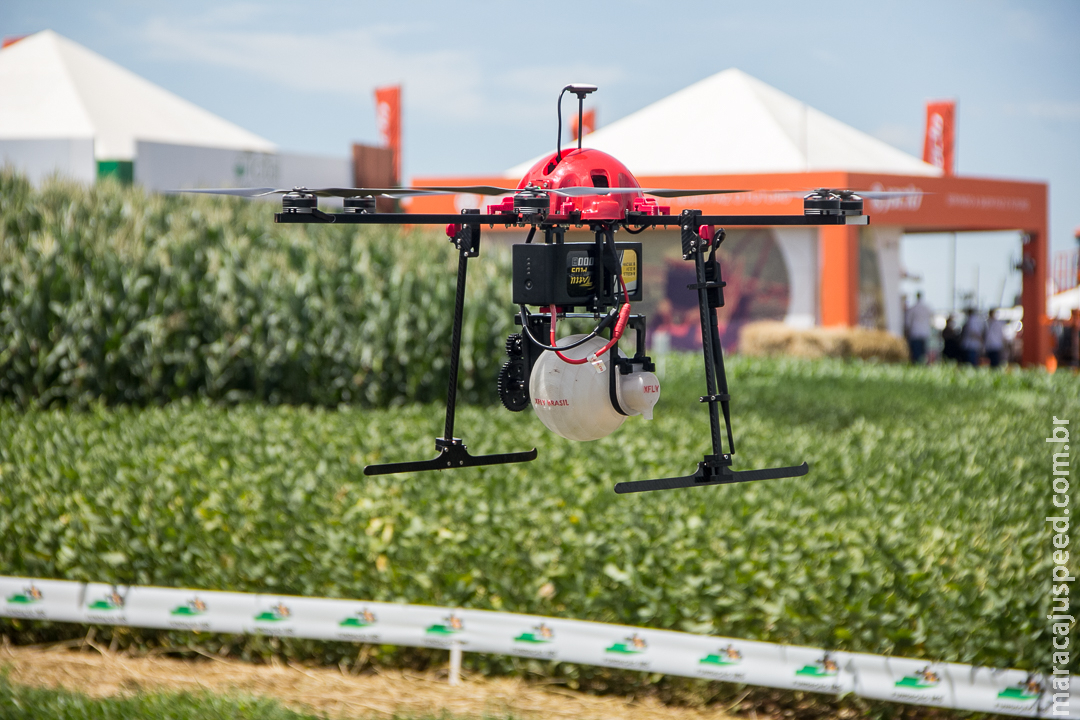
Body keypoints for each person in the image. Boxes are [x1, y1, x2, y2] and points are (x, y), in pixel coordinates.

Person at [905, 292, 933, 363]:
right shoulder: (927, 308)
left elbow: (907, 322)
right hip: (925, 333)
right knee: (924, 355)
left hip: (915, 334)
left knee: (916, 355)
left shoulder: (913, 308)